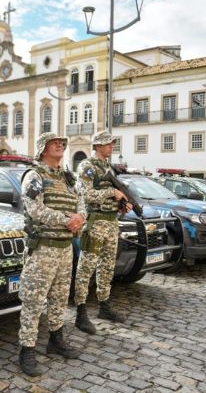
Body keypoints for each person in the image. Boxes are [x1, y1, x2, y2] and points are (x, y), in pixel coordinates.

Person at [18, 132, 86, 377]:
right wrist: (67, 219)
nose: (60, 145)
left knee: (59, 298)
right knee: (34, 301)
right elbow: (35, 210)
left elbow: (81, 204)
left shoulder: (69, 178)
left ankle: (55, 341)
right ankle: (26, 349)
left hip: (65, 248)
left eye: (62, 143)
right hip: (43, 248)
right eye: (55, 142)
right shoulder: (34, 176)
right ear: (42, 148)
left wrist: (80, 218)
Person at [74, 131, 132, 335]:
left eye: (112, 143)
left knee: (107, 268)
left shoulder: (108, 167)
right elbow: (85, 194)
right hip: (95, 223)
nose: (111, 146)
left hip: (111, 223)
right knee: (86, 268)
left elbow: (112, 196)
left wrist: (121, 205)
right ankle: (81, 313)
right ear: (97, 145)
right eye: (108, 143)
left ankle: (104, 306)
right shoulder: (86, 166)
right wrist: (111, 193)